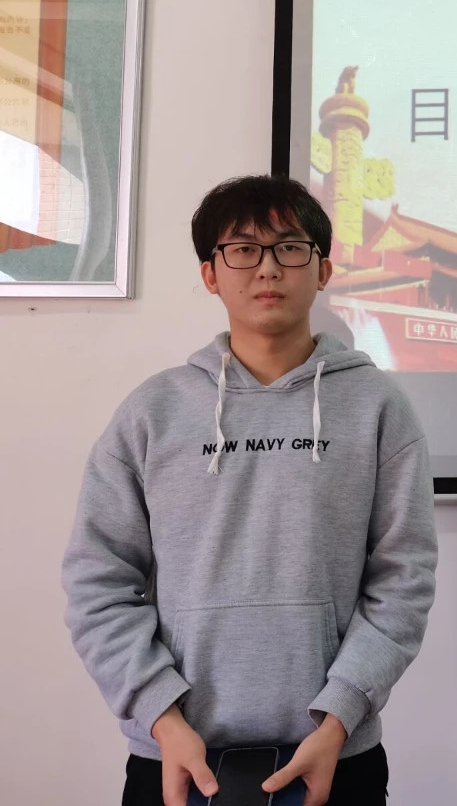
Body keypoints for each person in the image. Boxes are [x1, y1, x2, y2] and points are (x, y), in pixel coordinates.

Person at [61, 176, 437, 806]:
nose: (268, 268)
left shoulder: (378, 407)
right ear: (211, 274)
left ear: (323, 269)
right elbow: (97, 580)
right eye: (242, 249)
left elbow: (404, 578)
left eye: (290, 247)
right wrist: (161, 716)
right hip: (175, 756)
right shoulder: (153, 411)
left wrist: (338, 718)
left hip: (335, 753)